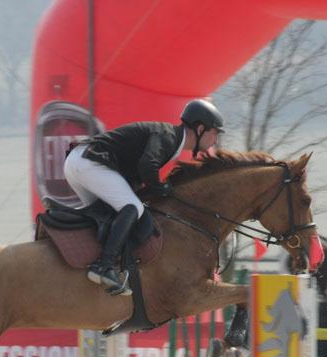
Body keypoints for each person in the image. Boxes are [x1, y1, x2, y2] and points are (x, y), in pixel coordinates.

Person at [63, 99, 224, 295]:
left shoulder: (171, 139)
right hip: (89, 162)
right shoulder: (168, 135)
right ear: (200, 129)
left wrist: (154, 188)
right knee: (133, 208)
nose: (216, 140)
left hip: (79, 163)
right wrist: (160, 188)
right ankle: (104, 266)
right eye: (215, 132)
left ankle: (88, 257)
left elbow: (138, 173)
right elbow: (147, 165)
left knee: (106, 216)